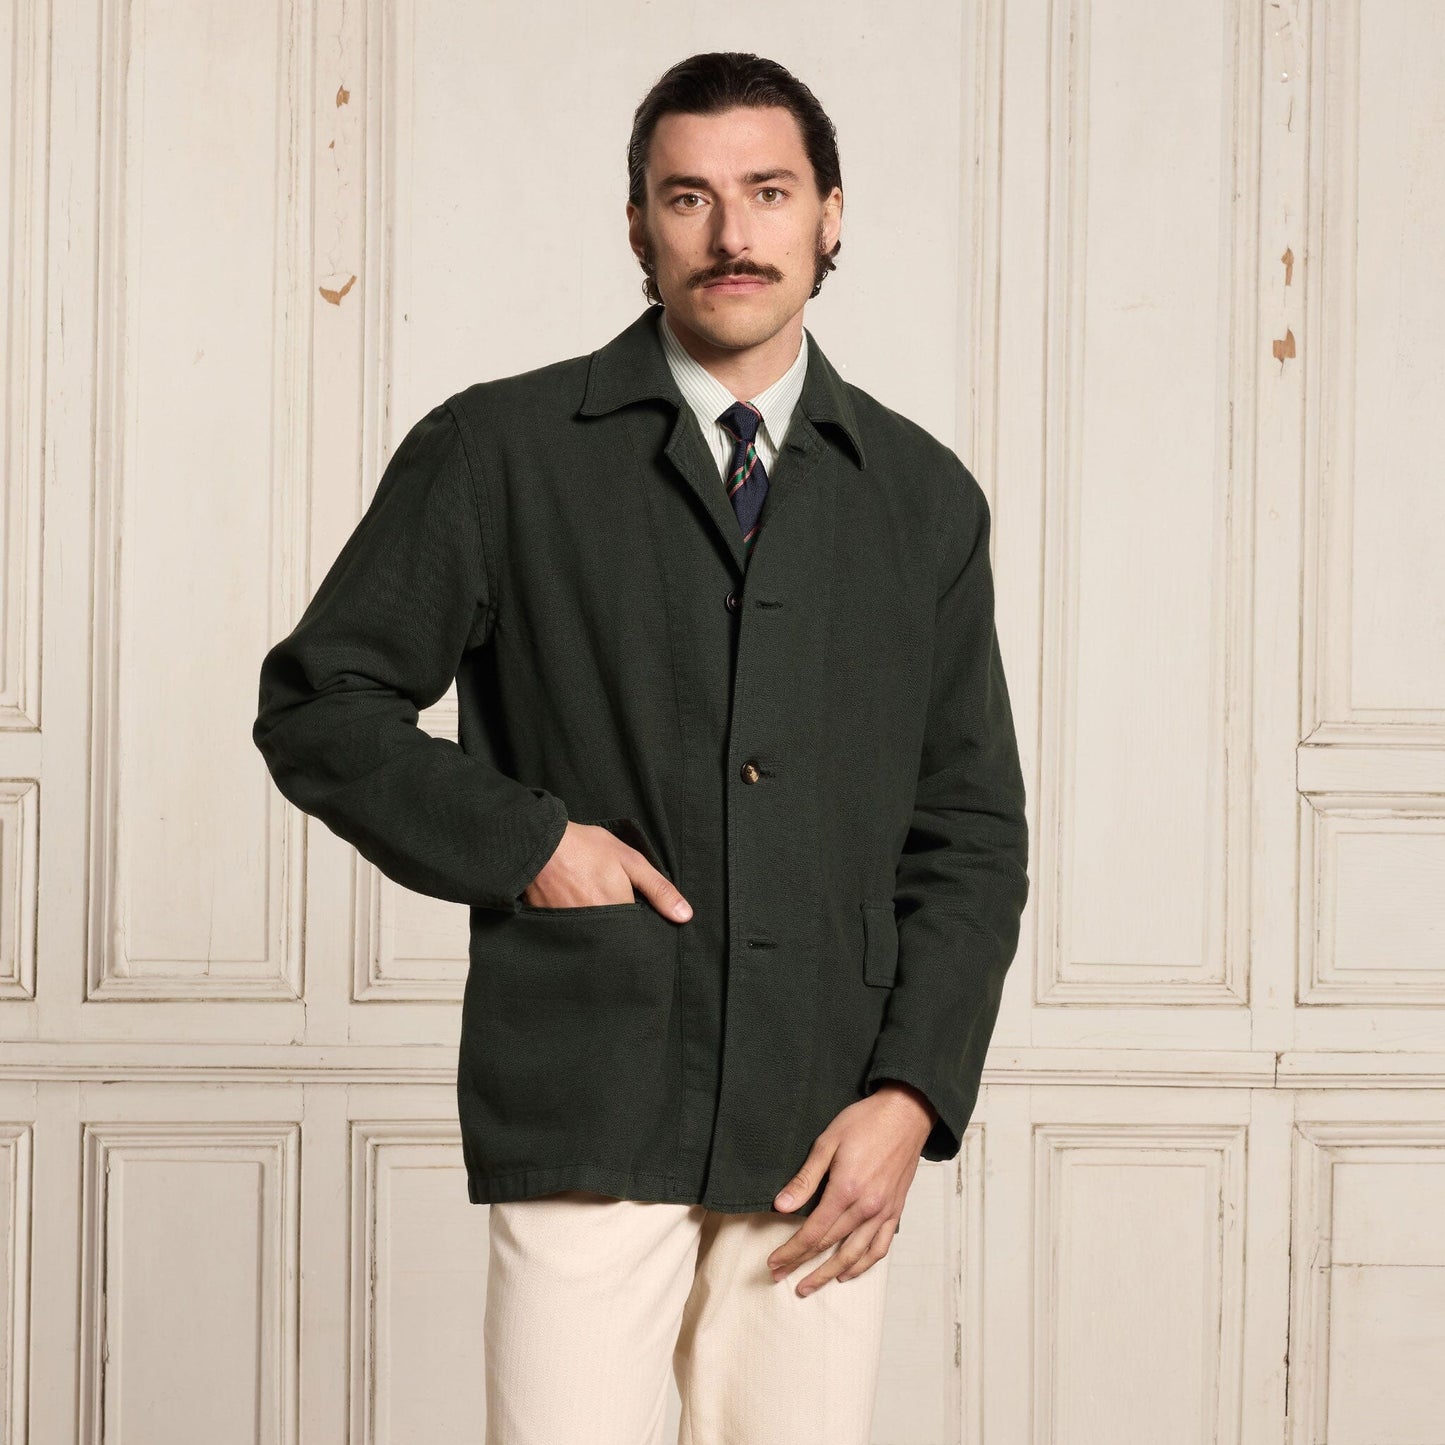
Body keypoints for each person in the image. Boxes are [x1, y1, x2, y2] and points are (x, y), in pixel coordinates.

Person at [253, 49, 1029, 1445]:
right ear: (636, 226)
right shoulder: (499, 451)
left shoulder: (921, 499)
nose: (732, 234)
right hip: (593, 1086)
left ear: (831, 216)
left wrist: (913, 1096)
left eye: (769, 192)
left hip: (823, 1116)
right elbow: (322, 703)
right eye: (688, 197)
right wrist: (529, 842)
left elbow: (967, 829)